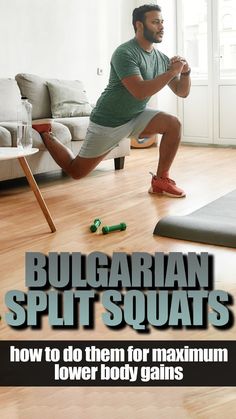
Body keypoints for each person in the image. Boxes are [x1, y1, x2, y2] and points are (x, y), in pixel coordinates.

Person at [42, 4, 191, 198]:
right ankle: (46, 134)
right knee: (76, 171)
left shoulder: (161, 58)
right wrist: (172, 71)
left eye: (162, 22)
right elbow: (139, 91)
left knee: (173, 124)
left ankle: (160, 180)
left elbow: (182, 91)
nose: (161, 27)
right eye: (155, 22)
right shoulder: (125, 53)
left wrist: (186, 72)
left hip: (136, 116)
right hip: (108, 120)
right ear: (139, 25)